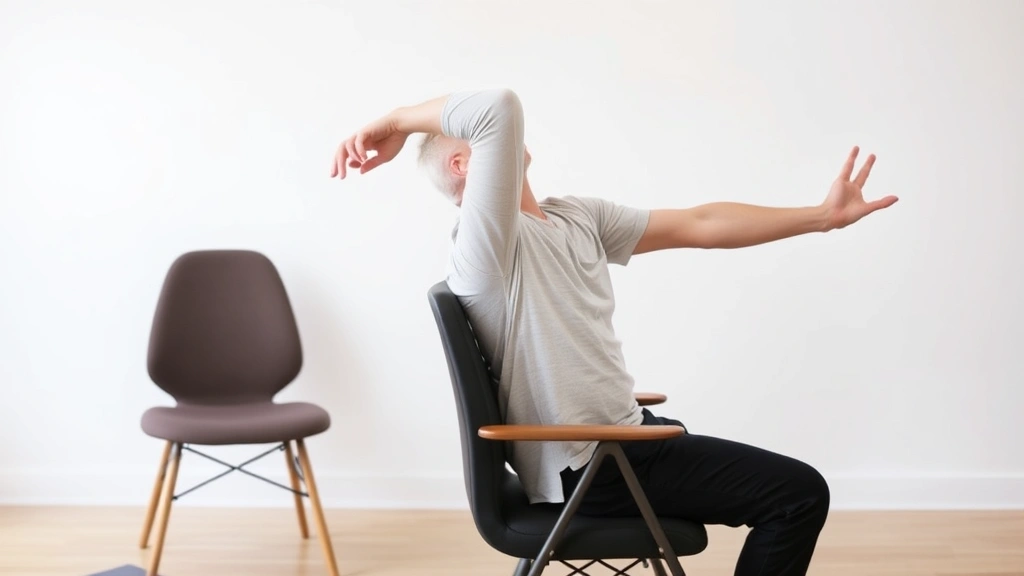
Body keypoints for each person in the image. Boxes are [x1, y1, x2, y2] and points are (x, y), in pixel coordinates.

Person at [330, 88, 897, 576]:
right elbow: (496, 107)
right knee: (798, 495)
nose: (508, 138)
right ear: (463, 166)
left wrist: (819, 217)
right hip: (596, 465)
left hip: (625, 440)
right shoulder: (487, 251)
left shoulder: (576, 217)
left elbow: (700, 224)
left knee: (763, 479)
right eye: (477, 143)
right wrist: (399, 121)